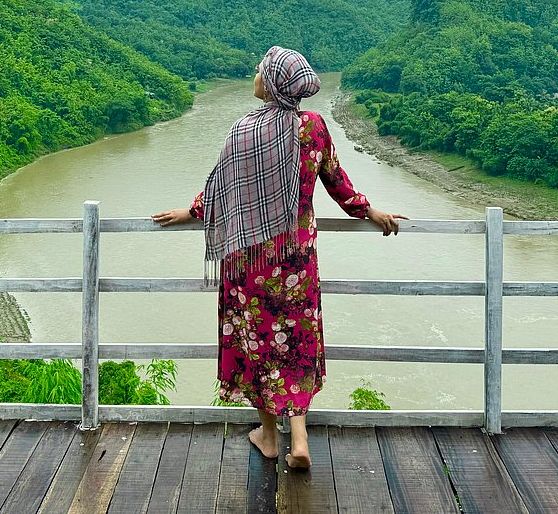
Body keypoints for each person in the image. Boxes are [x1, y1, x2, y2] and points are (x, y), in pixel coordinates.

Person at [151, 46, 406, 469]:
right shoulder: (315, 128)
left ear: (272, 84)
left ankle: (270, 437)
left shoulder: (243, 131)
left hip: (249, 264)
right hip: (295, 263)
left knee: (256, 344)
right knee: (296, 343)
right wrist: (369, 210)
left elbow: (221, 191)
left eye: (261, 70)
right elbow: (338, 183)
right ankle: (300, 437)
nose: (255, 73)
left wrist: (190, 212)